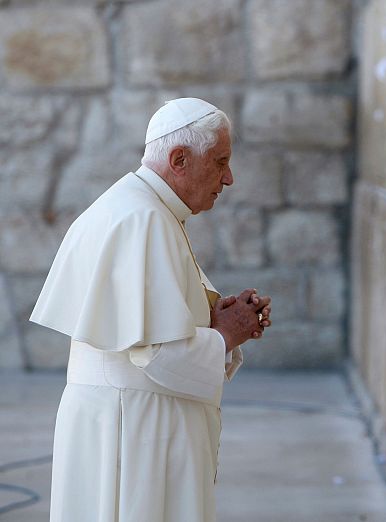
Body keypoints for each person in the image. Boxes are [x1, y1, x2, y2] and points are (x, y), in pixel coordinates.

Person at [30, 98, 270, 522]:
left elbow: (149, 328)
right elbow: (159, 354)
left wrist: (216, 318)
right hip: (135, 432)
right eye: (220, 162)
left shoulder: (140, 207)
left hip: (125, 422)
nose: (229, 178)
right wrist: (226, 335)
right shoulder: (143, 219)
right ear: (179, 159)